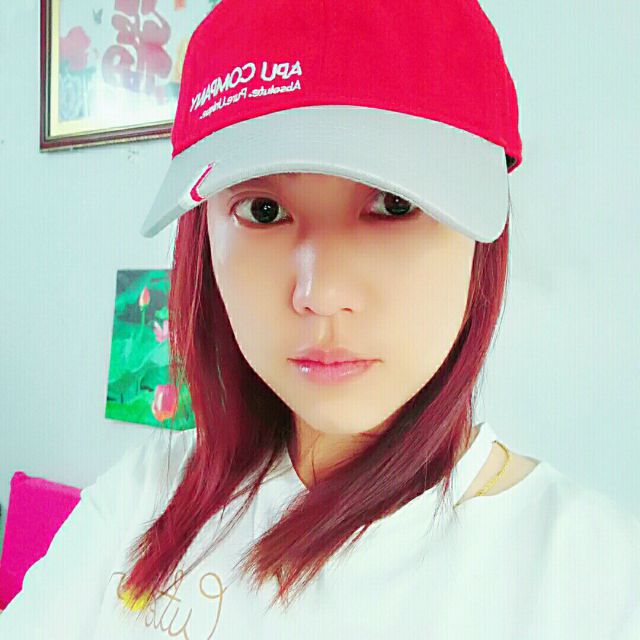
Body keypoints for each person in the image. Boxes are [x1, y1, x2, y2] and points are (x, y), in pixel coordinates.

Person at [2, 1, 639, 638]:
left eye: (395, 203)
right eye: (263, 210)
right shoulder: (144, 495)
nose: (320, 294)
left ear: (481, 241)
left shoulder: (591, 579)